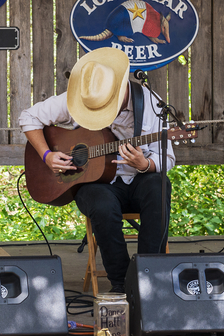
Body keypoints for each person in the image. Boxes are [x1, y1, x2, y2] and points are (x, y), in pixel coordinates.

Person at [19, 47, 174, 294]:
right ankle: (122, 284)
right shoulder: (80, 96)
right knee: (101, 205)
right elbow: (28, 118)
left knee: (160, 186)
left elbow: (168, 158)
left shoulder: (150, 104)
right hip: (96, 184)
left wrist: (145, 165)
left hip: (138, 180)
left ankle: (149, 277)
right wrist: (47, 156)